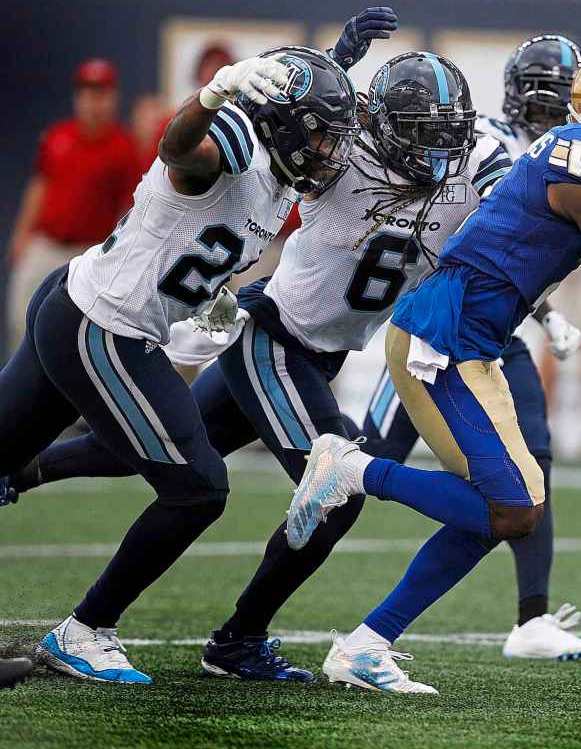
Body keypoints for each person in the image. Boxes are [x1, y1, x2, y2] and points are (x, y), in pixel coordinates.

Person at [287, 49, 581, 693]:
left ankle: (367, 646)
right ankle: (351, 470)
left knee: (507, 507)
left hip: (473, 344)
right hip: (443, 339)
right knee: (514, 507)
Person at [0, 47, 359, 683]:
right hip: (104, 327)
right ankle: (86, 630)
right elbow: (179, 147)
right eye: (322, 137)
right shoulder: (235, 142)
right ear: (284, 128)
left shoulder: (279, 168)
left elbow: (289, 104)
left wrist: (338, 60)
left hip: (85, 306)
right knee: (199, 487)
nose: (330, 151)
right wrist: (213, 94)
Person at [359, 34, 581, 663]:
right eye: (544, 94)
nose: (553, 108)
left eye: (563, 97)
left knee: (529, 469)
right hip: (439, 327)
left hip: (497, 334)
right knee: (374, 458)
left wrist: (545, 314)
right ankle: (256, 613)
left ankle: (533, 616)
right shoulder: (485, 140)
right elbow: (481, 243)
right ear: (517, 92)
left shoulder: (580, 155)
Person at [7, 59, 140, 355]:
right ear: (78, 97)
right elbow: (40, 185)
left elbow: (128, 208)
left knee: (73, 333)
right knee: (21, 320)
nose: (94, 103)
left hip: (87, 254)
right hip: (45, 244)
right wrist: (22, 234)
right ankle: (20, 383)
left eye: (101, 94)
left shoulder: (124, 147)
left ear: (113, 98)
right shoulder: (58, 136)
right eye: (88, 93)